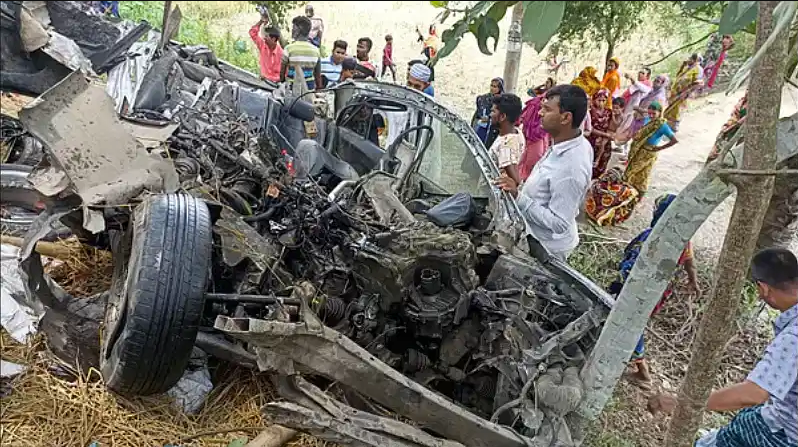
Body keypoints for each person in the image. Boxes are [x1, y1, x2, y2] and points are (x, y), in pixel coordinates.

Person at [650, 247, 798, 447]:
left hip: (783, 435)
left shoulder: (792, 338)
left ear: (763, 289)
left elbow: (753, 394)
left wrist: (685, 406)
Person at [609, 193, 699, 390]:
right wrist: (693, 281)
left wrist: (621, 282)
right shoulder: (681, 237)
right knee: (633, 322)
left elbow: (636, 265)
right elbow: (690, 262)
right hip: (657, 291)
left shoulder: (655, 237)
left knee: (633, 324)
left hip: (640, 291)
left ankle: (643, 373)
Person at [494, 85, 592, 261]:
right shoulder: (568, 142)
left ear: (565, 118)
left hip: (546, 248)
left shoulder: (571, 167)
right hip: (534, 235)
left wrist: (518, 197)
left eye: (547, 109)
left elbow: (559, 223)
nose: (539, 113)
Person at [625, 101, 678, 196]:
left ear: (660, 112)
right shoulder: (648, 120)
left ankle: (629, 193)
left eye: (654, 114)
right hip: (640, 149)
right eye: (650, 113)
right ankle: (635, 194)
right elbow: (640, 111)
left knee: (631, 172)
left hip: (649, 153)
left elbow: (674, 140)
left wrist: (659, 148)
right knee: (642, 174)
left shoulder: (662, 125)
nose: (651, 115)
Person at [488, 94, 525, 187]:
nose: (490, 115)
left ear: (503, 116)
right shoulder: (517, 132)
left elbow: (514, 179)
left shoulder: (505, 144)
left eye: (493, 111)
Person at [518, 82, 552, 180]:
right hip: (532, 136)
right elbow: (526, 122)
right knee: (532, 161)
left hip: (541, 136)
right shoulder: (534, 106)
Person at [280, 16, 322, 93]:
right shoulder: (316, 51)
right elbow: (318, 76)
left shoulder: (289, 48)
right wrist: (319, 89)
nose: (292, 30)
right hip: (310, 89)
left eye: (293, 28)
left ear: (298, 30)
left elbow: (282, 72)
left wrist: (282, 82)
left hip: (291, 91)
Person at [663, 53, 702, 132]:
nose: (688, 60)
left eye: (691, 59)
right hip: (675, 92)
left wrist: (687, 93)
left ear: (695, 60)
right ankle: (665, 127)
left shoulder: (698, 69)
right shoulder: (687, 67)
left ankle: (672, 129)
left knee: (677, 111)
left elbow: (697, 83)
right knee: (670, 109)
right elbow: (678, 76)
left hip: (683, 94)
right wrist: (682, 66)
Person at [707, 94, 747, 162]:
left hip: (743, 132)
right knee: (721, 139)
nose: (747, 91)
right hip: (733, 127)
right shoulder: (742, 101)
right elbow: (734, 115)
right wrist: (728, 126)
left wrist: (738, 123)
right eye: (747, 89)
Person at [585, 89, 614, 179]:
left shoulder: (609, 112)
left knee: (603, 160)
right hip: (593, 140)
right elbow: (590, 128)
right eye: (599, 100)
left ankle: (598, 181)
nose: (601, 103)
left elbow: (612, 125)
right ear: (594, 100)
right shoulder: (590, 112)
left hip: (605, 142)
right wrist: (605, 135)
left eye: (603, 100)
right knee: (591, 162)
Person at [472, 78, 505, 145]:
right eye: (491, 85)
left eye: (495, 86)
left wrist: (489, 118)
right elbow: (477, 114)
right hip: (482, 127)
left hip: (494, 130)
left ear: (500, 88)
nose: (492, 88)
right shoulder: (483, 98)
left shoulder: (503, 101)